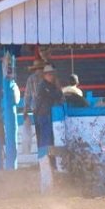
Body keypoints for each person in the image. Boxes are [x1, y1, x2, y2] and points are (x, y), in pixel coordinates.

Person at [34, 64, 64, 192]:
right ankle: (47, 165)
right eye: (49, 74)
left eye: (52, 74)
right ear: (45, 75)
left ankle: (49, 165)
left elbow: (58, 95)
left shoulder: (48, 86)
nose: (51, 76)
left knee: (48, 141)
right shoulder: (44, 86)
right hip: (44, 116)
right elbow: (56, 96)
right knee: (46, 141)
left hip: (46, 116)